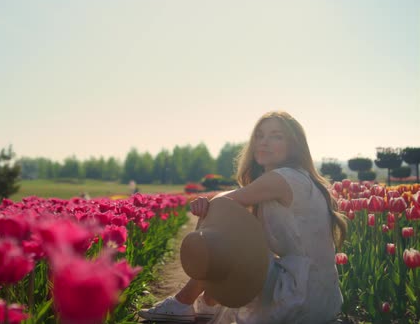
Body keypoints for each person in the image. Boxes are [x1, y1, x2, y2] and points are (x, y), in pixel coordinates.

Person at [138, 111, 347, 323]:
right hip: (320, 297)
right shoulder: (299, 177)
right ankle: (208, 301)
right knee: (238, 233)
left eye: (276, 136)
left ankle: (183, 301)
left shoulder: (282, 178)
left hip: (297, 294)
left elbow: (221, 203)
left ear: (294, 145)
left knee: (226, 241)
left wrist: (206, 204)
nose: (264, 142)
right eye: (259, 135)